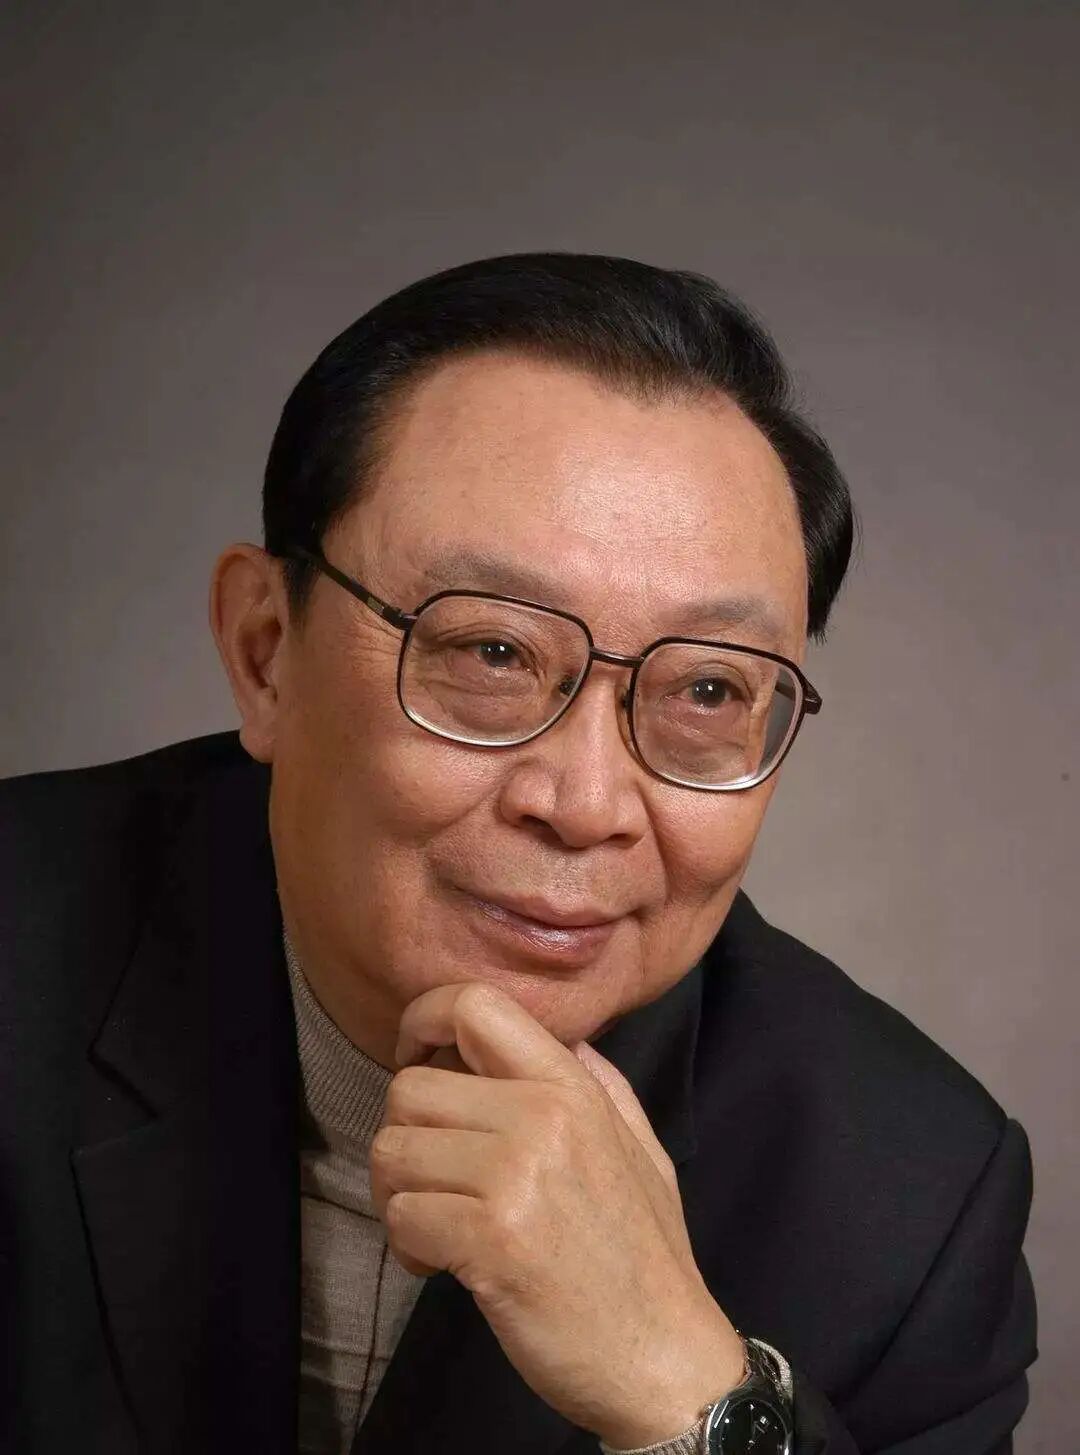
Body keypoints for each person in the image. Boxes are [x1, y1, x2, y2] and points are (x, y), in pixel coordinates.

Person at [0, 253, 1037, 1455]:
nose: (586, 805)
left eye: (709, 688)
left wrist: (690, 1395)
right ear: (267, 651)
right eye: (492, 653)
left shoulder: (912, 1198)